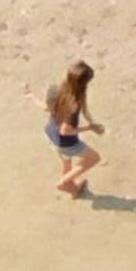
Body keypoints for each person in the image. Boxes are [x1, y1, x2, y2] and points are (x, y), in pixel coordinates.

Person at [44, 60, 103, 199]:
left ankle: (73, 189)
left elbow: (46, 108)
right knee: (94, 158)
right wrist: (88, 128)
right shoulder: (74, 104)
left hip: (50, 133)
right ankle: (63, 183)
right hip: (66, 142)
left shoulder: (54, 89)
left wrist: (31, 98)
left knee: (66, 161)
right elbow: (65, 130)